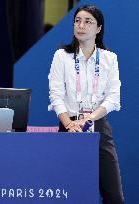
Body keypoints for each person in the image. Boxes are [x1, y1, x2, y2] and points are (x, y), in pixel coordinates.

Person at [48, 5, 124, 204]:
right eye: (77, 20)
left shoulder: (109, 59)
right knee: (69, 192)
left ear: (98, 28)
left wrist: (88, 119)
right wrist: (69, 124)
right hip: (68, 128)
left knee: (114, 197)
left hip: (98, 127)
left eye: (88, 21)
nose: (81, 25)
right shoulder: (61, 57)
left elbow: (113, 99)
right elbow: (56, 95)